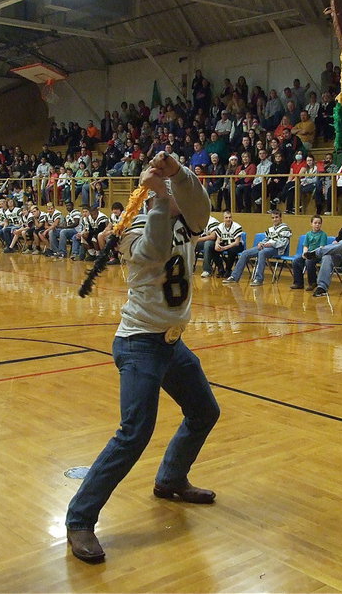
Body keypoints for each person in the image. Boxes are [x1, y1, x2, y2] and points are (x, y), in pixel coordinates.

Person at [65, 154, 217, 564]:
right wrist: (158, 196)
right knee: (134, 432)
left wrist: (178, 175)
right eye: (168, 194)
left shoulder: (187, 222)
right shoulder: (132, 229)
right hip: (139, 345)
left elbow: (199, 206)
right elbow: (153, 250)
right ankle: (79, 520)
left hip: (172, 344)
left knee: (204, 411)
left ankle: (170, 479)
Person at [223, 210, 292, 287]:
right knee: (245, 253)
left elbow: (283, 243)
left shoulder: (285, 229)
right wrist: (261, 243)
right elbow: (266, 239)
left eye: (276, 217)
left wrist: (271, 244)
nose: (275, 219)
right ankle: (234, 277)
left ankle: (259, 279)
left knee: (262, 252)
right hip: (266, 247)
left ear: (280, 218)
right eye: (273, 218)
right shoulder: (270, 229)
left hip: (277, 250)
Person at [290, 215, 329, 291]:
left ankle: (312, 283)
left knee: (309, 262)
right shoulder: (308, 234)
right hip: (309, 254)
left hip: (317, 254)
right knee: (296, 261)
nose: (317, 224)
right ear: (311, 224)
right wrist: (305, 253)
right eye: (315, 223)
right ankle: (298, 283)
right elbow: (305, 245)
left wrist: (311, 254)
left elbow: (321, 248)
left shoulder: (323, 234)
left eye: (319, 223)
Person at [206, 210, 244, 278]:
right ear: (223, 218)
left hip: (237, 245)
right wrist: (216, 245)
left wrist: (225, 248)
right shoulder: (220, 226)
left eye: (230, 217)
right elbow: (218, 239)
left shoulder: (237, 226)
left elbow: (237, 243)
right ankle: (221, 269)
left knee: (231, 250)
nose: (228, 219)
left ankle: (228, 270)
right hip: (225, 244)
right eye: (226, 217)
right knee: (213, 249)